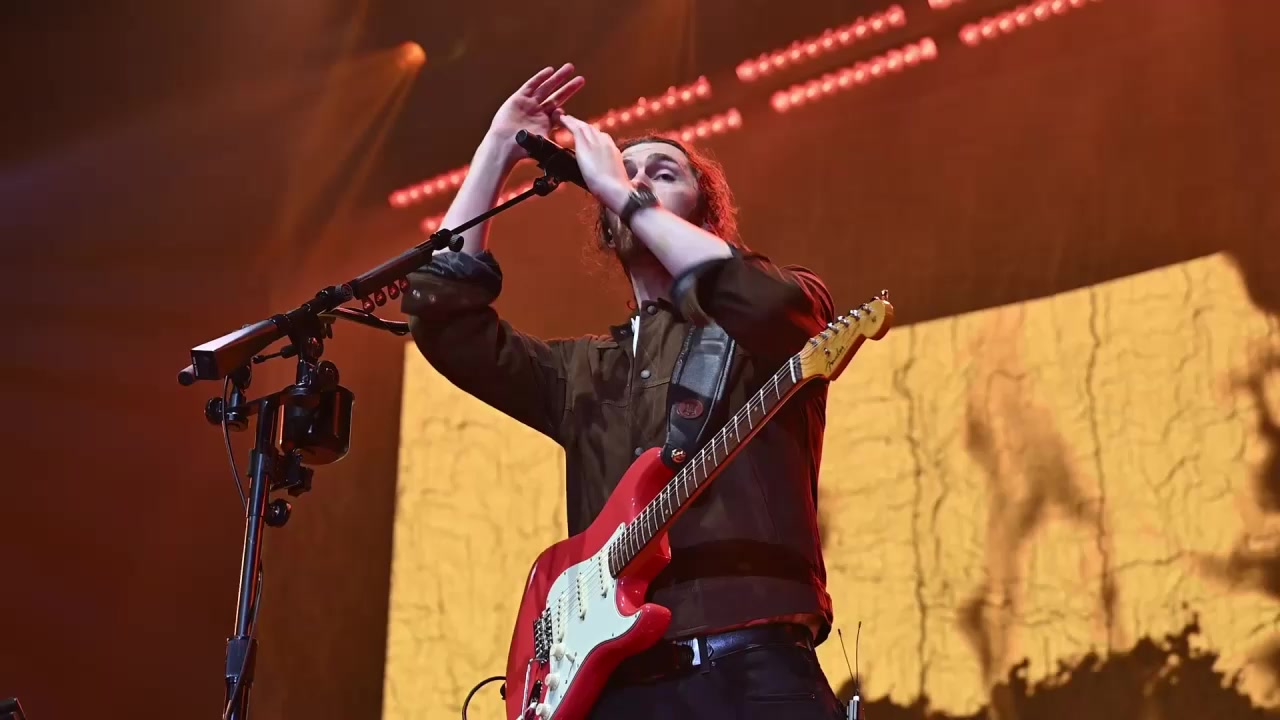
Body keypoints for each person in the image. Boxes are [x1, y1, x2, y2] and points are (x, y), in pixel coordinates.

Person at [401, 63, 847, 719]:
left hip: (753, 668)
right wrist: (497, 148)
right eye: (627, 171)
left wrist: (618, 188)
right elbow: (444, 320)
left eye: (663, 175)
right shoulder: (581, 372)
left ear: (708, 217)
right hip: (615, 685)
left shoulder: (774, 317)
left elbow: (764, 299)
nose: (636, 181)